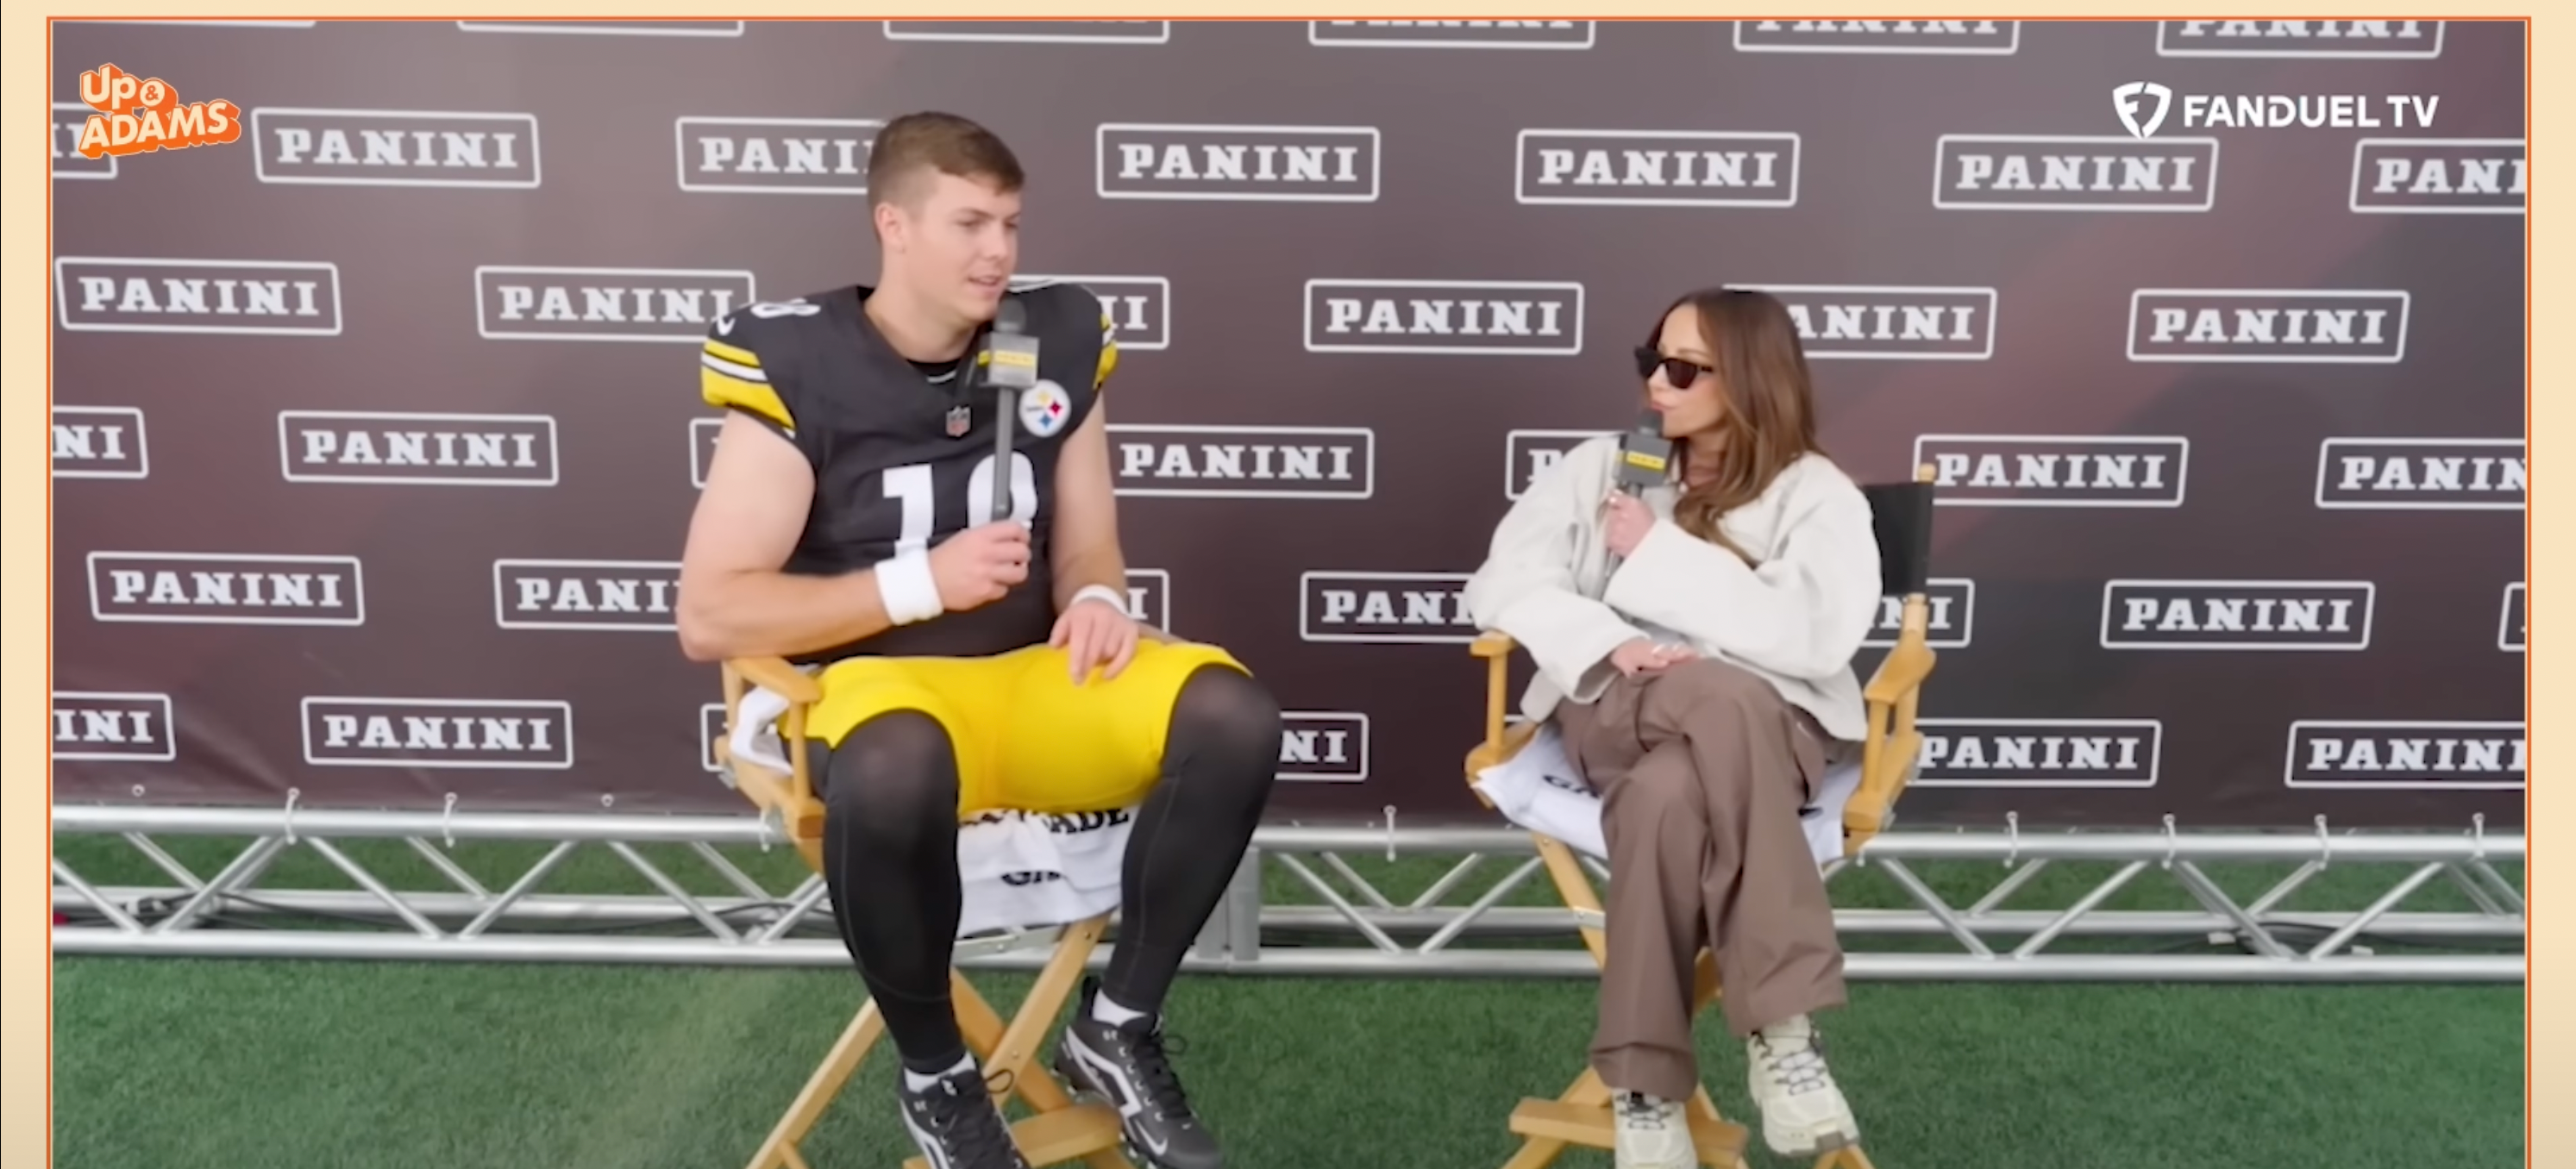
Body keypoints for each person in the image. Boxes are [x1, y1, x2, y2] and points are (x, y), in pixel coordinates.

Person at [676, 111, 1281, 1169]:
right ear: (892, 227)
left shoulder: (1053, 333)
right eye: (967, 223)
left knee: (1232, 716)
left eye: (1008, 222)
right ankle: (937, 1078)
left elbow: (1090, 547)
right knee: (900, 764)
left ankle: (1119, 1024)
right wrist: (920, 583)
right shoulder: (796, 357)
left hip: (1034, 680)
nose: (997, 251)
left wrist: (1097, 599)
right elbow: (711, 615)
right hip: (874, 693)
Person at [1461, 288, 1882, 1168]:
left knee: (1667, 794)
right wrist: (1611, 641)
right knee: (1717, 701)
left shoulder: (1816, 496)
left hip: (1771, 728)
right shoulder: (1597, 468)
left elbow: (1814, 633)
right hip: (1613, 703)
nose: (1658, 381)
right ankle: (1781, 1027)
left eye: (1684, 368)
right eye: (1651, 359)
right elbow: (1501, 584)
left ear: (1750, 378)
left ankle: (1642, 1090)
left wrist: (1653, 556)